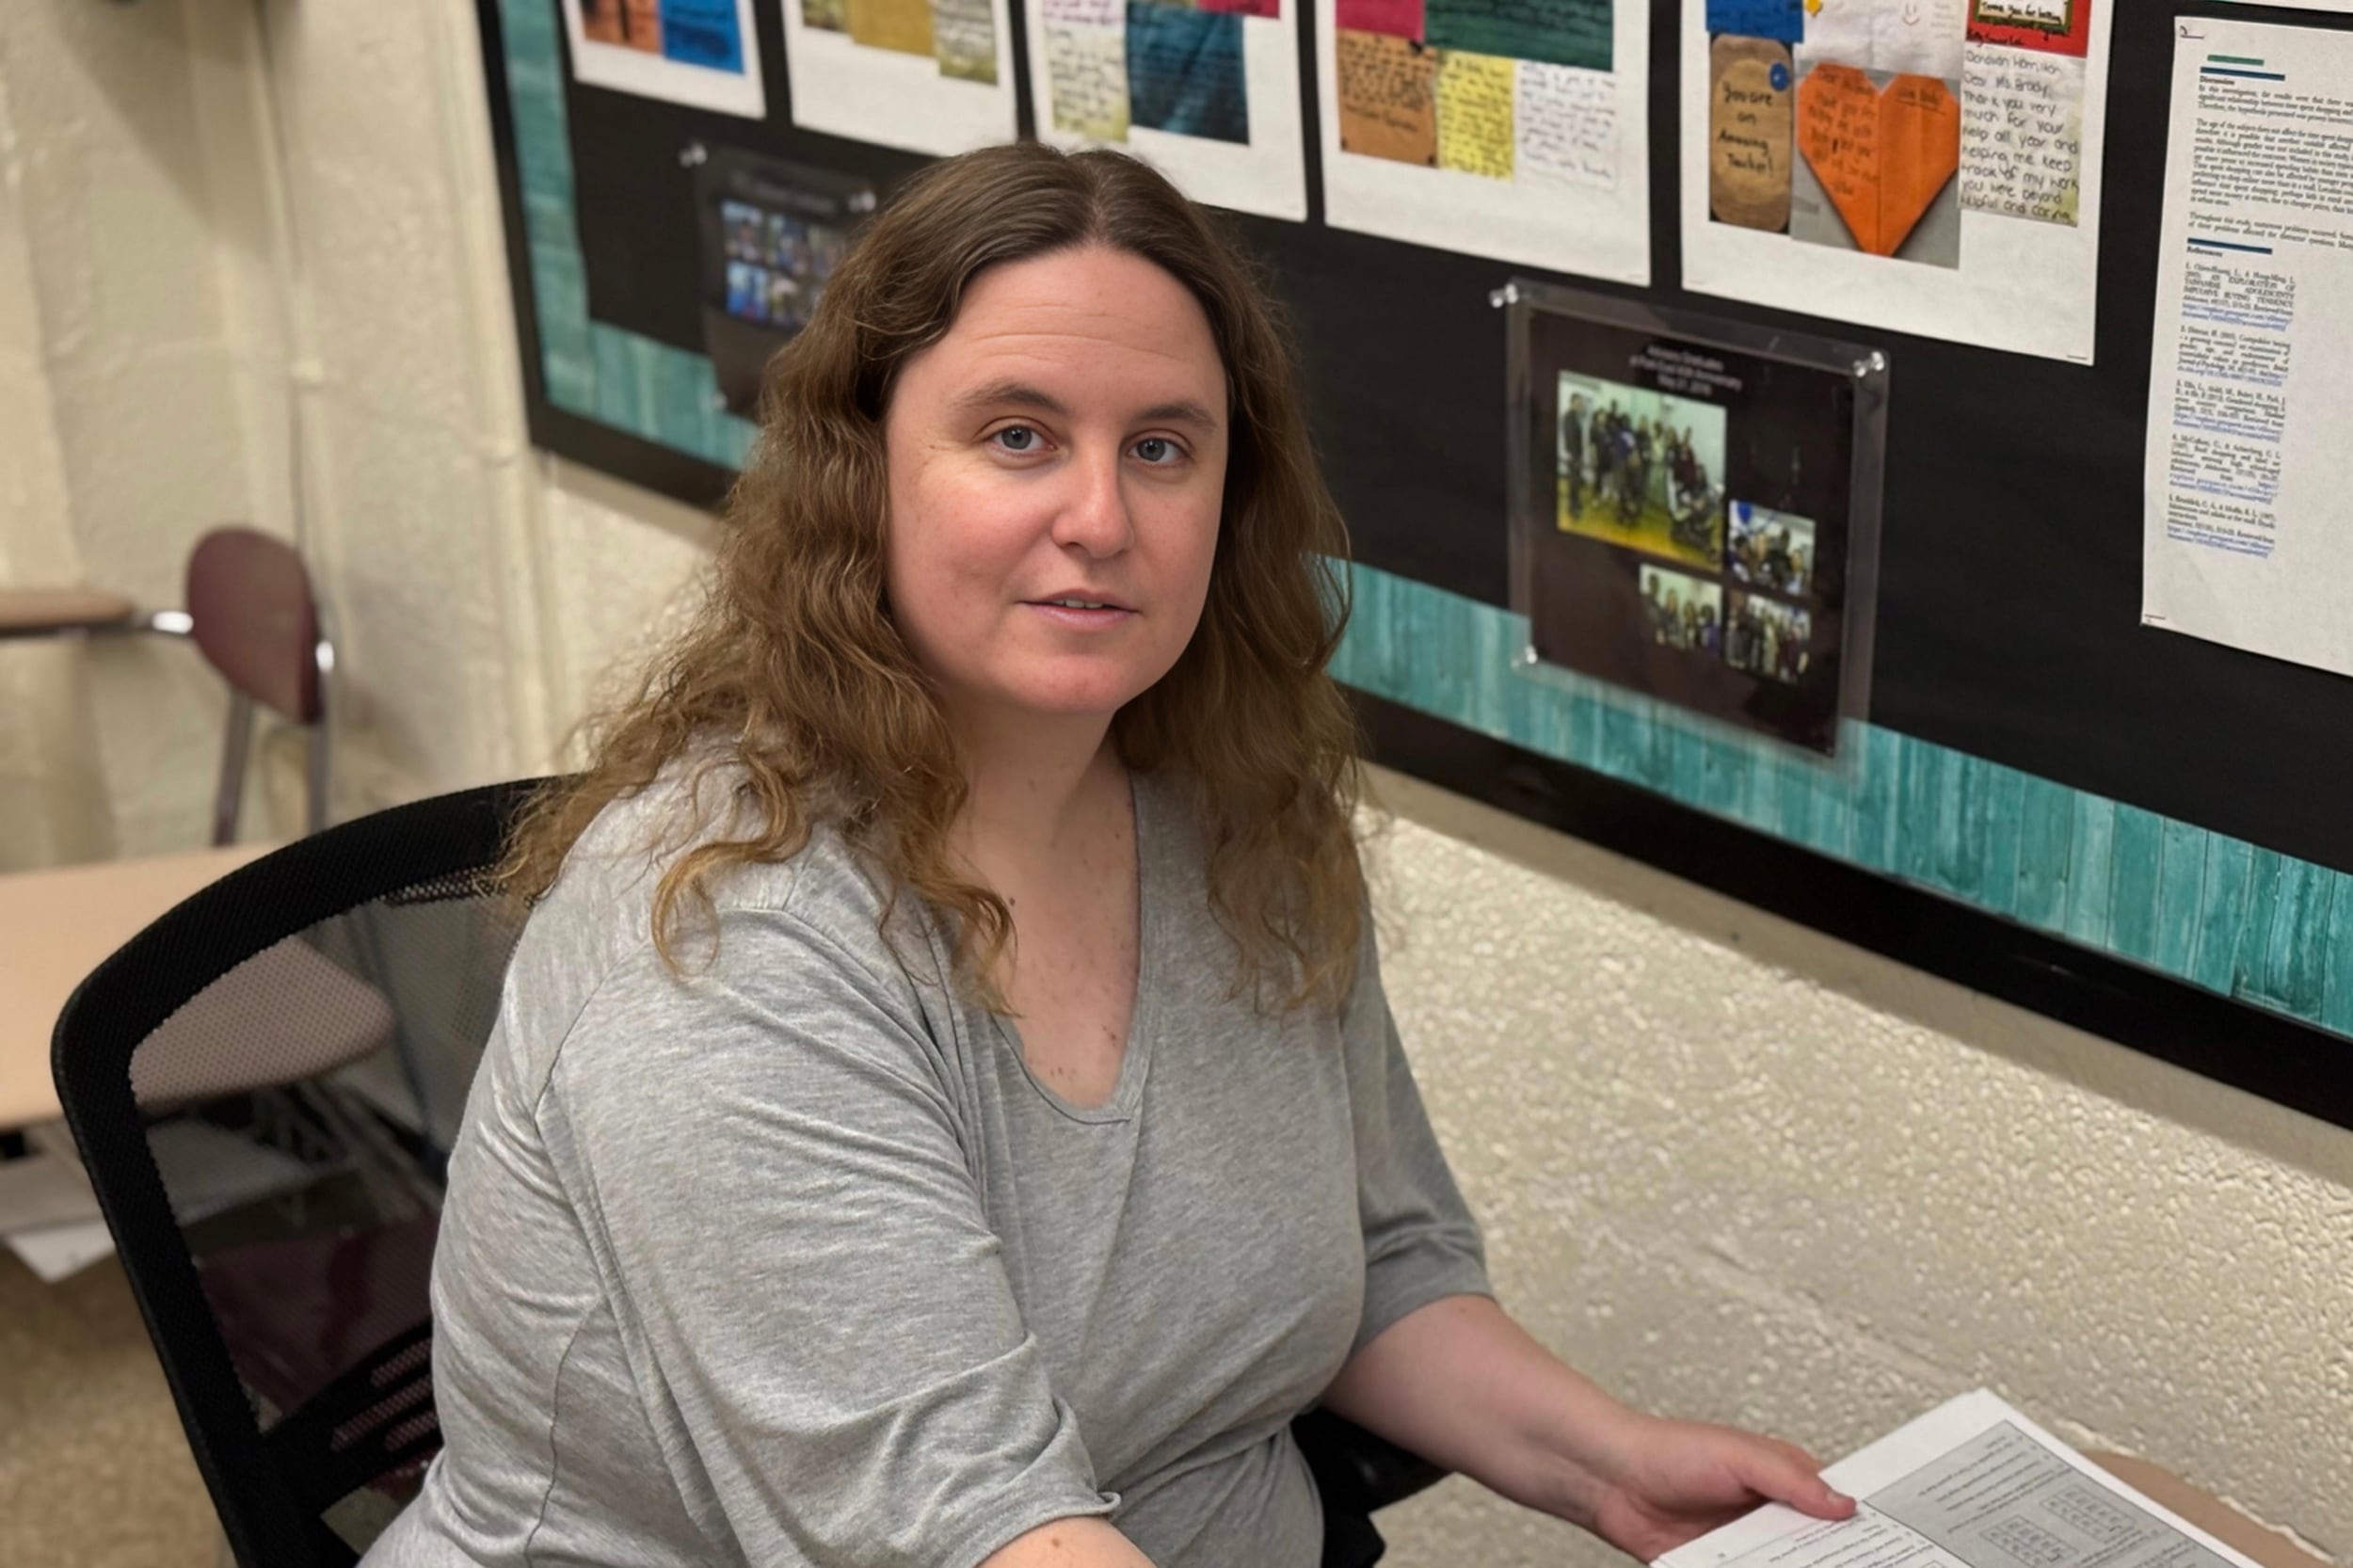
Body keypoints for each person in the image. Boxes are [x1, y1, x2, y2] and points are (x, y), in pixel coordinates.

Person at [364, 145, 1851, 1568]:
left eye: (1161, 448)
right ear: (865, 470)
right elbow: (960, 1524)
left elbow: (1380, 1267)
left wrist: (1612, 1463)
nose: (1101, 517)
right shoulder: (723, 939)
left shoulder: (1238, 819)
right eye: (1017, 435)